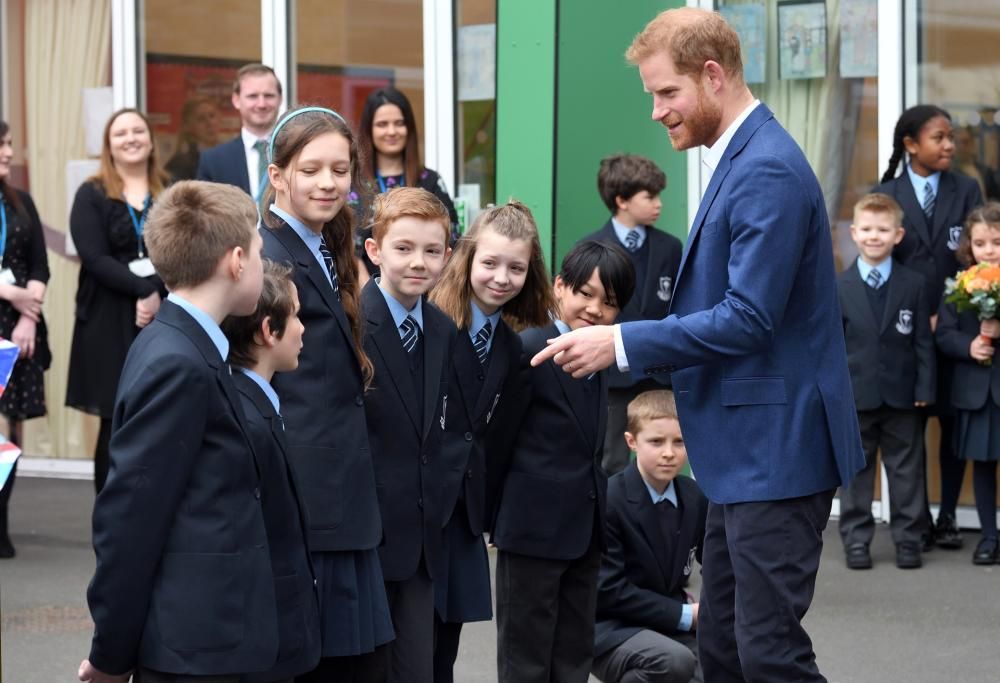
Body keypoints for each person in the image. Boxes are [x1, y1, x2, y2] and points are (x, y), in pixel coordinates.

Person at [532, 9, 865, 682]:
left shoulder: (765, 167)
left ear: (712, 76)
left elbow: (747, 317)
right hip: (744, 456)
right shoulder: (744, 155)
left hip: (775, 453)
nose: (656, 111)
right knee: (723, 645)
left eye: (666, 93)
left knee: (767, 653)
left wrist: (621, 340)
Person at [78, 180, 271, 683]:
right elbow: (130, 521)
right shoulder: (178, 363)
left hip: (214, 639)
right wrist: (110, 656)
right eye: (259, 253)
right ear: (235, 261)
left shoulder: (187, 344)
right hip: (197, 651)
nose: (262, 265)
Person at [260, 106, 392, 681]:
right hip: (309, 492)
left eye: (340, 169)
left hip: (341, 490)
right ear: (277, 176)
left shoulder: (325, 244)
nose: (327, 182)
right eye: (310, 169)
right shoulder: (270, 255)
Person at [493, 240, 635, 683]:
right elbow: (497, 441)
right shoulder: (529, 348)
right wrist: (497, 517)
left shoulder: (600, 358)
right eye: (585, 294)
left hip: (584, 533)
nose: (595, 310)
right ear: (559, 287)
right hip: (532, 531)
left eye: (609, 303)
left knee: (573, 656)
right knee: (527, 660)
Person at [427, 199, 556, 683]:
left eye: (516, 267)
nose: (502, 277)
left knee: (447, 651)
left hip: (464, 518)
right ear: (467, 260)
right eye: (490, 263)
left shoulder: (510, 345)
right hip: (420, 511)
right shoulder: (434, 324)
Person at [873, 105, 984, 551]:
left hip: (955, 324)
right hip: (908, 332)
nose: (950, 146)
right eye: (939, 137)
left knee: (953, 425)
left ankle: (949, 517)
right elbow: (882, 264)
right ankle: (913, 523)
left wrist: (948, 311)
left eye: (951, 137)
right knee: (910, 429)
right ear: (911, 144)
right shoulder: (888, 192)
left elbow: (974, 259)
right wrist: (922, 315)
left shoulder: (966, 188)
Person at [360, 187, 456, 683]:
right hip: (365, 540)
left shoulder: (441, 328)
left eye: (432, 250)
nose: (419, 262)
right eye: (403, 248)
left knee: (417, 671)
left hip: (420, 543)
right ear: (374, 251)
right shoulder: (353, 324)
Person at [220, 259, 321, 681]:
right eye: (295, 315)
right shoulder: (247, 420)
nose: (303, 329)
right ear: (267, 330)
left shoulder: (260, 406)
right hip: (265, 640)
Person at [66, 108, 168, 494]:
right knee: (115, 419)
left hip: (161, 314)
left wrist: (157, 289)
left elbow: (186, 251)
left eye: (138, 130)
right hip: (108, 319)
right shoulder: (91, 194)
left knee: (157, 412)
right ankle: (111, 515)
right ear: (109, 145)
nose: (130, 138)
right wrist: (144, 290)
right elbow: (94, 257)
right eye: (120, 133)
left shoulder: (169, 191)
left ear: (151, 139)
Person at [837, 193, 936, 570]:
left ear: (898, 235)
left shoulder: (914, 284)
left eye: (883, 229)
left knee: (906, 471)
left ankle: (909, 539)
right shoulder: (839, 287)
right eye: (867, 229)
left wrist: (925, 389)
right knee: (856, 474)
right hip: (856, 397)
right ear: (854, 233)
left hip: (903, 396)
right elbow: (832, 348)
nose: (874, 236)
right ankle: (856, 540)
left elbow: (923, 343)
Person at [593, 390, 706, 683]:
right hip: (611, 627)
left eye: (679, 442)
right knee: (673, 661)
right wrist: (685, 614)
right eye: (656, 442)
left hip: (665, 623)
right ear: (631, 442)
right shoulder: (610, 499)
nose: (669, 452)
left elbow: (719, 562)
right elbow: (608, 591)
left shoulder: (694, 496)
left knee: (726, 661)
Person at [581, 153, 682, 474]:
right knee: (611, 459)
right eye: (649, 197)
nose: (659, 204)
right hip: (613, 377)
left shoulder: (671, 247)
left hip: (659, 372)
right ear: (622, 200)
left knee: (664, 458)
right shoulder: (592, 248)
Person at [935, 202, 1000, 565]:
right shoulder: (960, 285)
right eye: (980, 243)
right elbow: (943, 334)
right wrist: (970, 345)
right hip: (977, 393)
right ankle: (989, 536)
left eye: (996, 242)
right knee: (984, 464)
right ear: (969, 246)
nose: (988, 250)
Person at [0, 120, 51, 559]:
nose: (6, 151)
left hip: (18, 326)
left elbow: (39, 263)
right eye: (0, 143)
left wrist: (28, 315)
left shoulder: (22, 202)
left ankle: (2, 519)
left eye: (8, 142)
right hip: (6, 306)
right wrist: (9, 293)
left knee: (8, 427)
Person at [352, 87, 459, 279]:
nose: (391, 131)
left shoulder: (430, 181)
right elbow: (349, 251)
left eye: (399, 123)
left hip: (427, 291)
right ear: (369, 130)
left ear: (409, 127)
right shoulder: (355, 185)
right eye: (382, 124)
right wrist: (371, 298)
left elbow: (452, 241)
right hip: (369, 294)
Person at [197, 64, 282, 200]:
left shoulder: (295, 152)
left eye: (269, 95)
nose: (261, 104)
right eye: (253, 96)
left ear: (280, 99)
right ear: (236, 100)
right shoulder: (213, 161)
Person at [164, 95, 220, 182]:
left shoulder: (226, 156)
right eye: (201, 119)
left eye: (212, 116)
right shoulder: (181, 163)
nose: (209, 123)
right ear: (188, 126)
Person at [954, 125, 1000, 202]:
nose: (961, 147)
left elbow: (995, 197)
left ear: (972, 143)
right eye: (956, 142)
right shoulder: (947, 174)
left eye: (965, 142)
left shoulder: (985, 171)